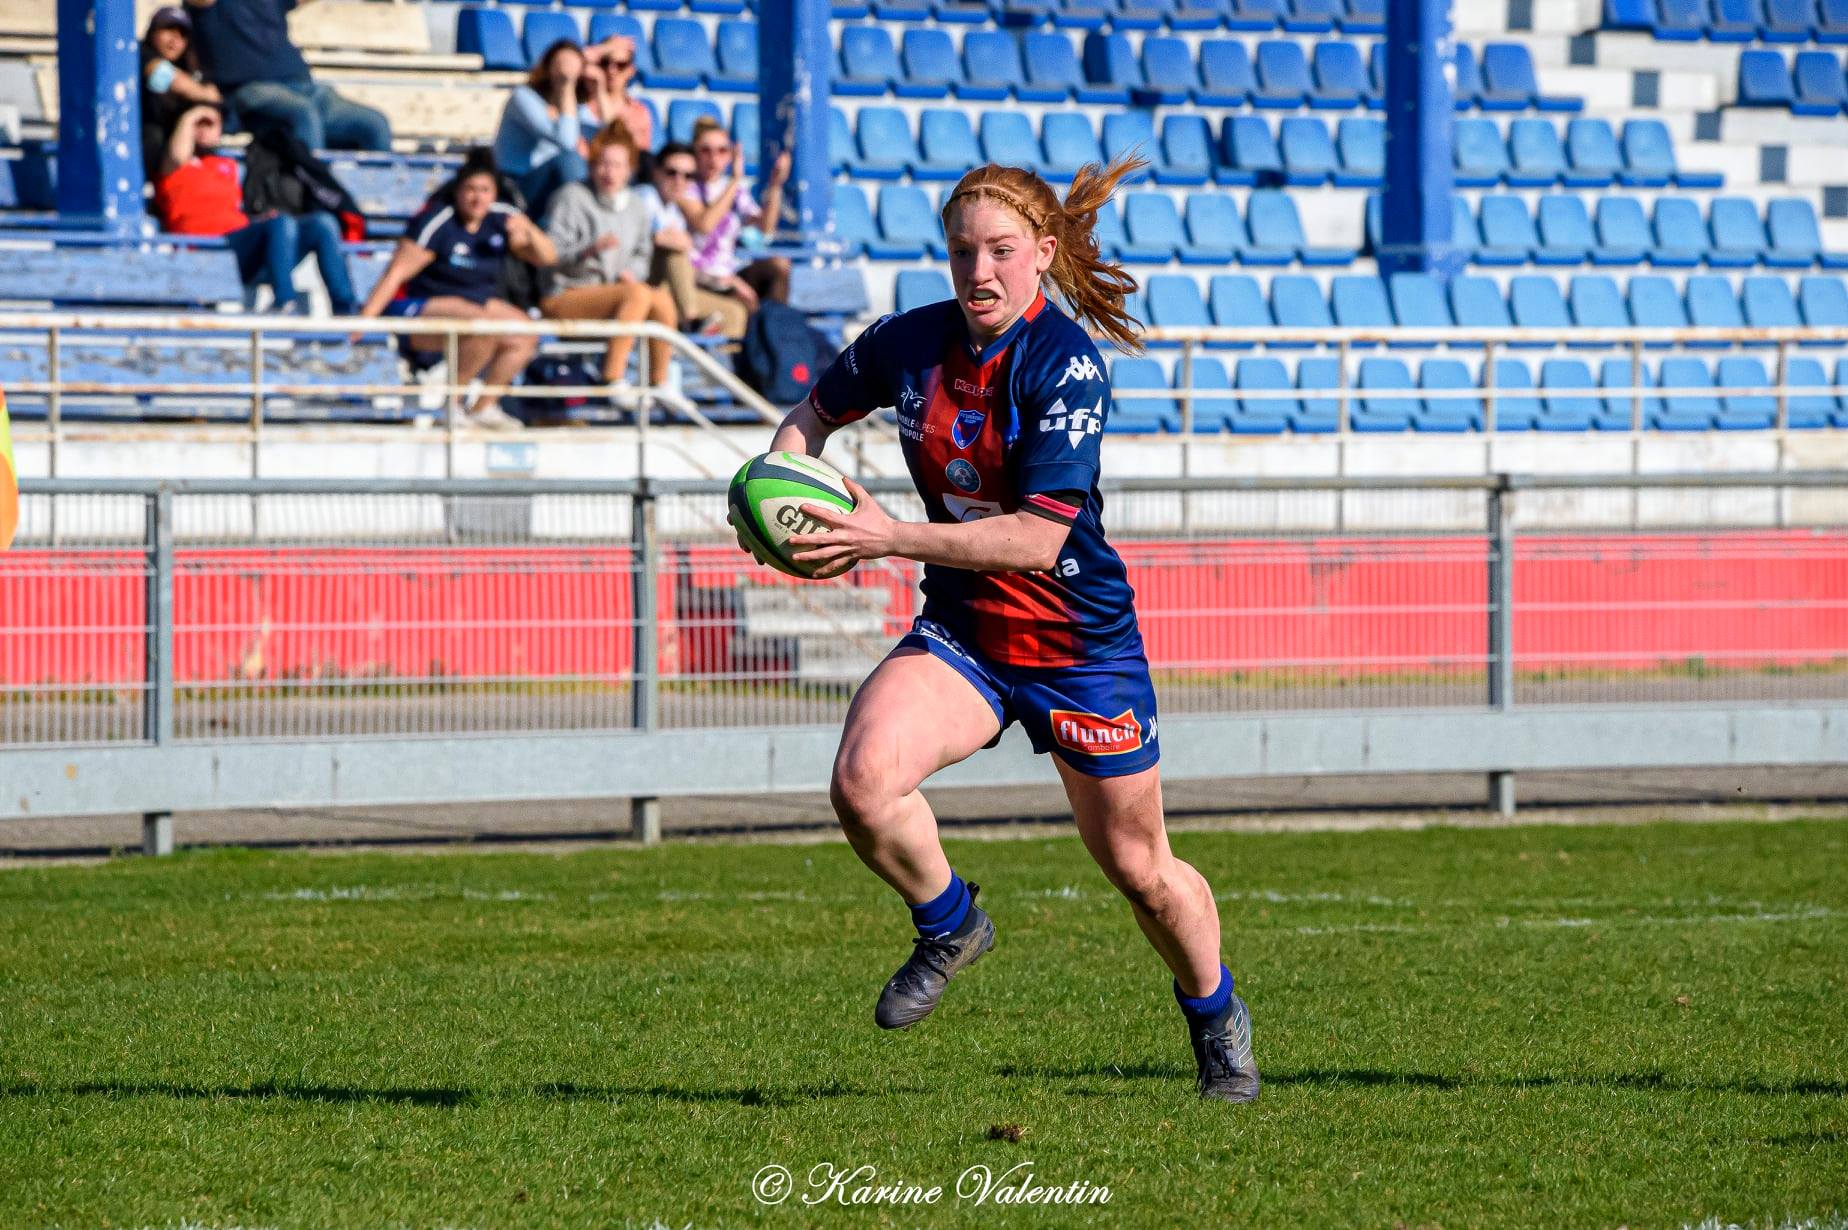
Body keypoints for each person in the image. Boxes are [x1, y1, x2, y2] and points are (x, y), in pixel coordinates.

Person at [752, 155, 1260, 1104]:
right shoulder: (906, 343)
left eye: (999, 250)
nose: (977, 271)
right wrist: (781, 494)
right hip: (968, 633)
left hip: (1079, 648)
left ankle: (1214, 1016)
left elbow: (1035, 538)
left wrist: (887, 537)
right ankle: (949, 923)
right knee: (863, 782)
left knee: (1143, 874)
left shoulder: (1064, 361)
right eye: (960, 252)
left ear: (1044, 251)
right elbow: (808, 418)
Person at [356, 150, 557, 431]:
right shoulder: (439, 222)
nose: (478, 198)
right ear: (459, 191)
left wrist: (529, 231)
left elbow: (547, 257)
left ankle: (484, 407)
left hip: (477, 306)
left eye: (485, 190)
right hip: (420, 307)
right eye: (471, 190)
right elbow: (395, 274)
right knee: (481, 324)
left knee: (525, 333)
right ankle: (451, 404)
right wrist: (361, 324)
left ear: (495, 193)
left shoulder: (500, 219)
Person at [156, 104, 359, 316]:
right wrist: (192, 114)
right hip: (212, 249)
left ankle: (346, 309)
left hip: (244, 244)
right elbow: (178, 155)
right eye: (199, 124)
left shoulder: (228, 166)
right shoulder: (174, 168)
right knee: (280, 222)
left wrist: (258, 221)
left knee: (322, 223)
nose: (204, 130)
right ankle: (284, 301)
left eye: (211, 124)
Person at [540, 124, 676, 402]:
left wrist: (632, 272)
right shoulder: (571, 197)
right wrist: (587, 251)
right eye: (602, 164)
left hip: (614, 292)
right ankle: (612, 377)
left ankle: (659, 381)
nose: (609, 172)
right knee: (637, 294)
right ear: (591, 166)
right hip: (566, 293)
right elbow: (551, 255)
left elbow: (642, 254)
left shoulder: (636, 205)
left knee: (660, 298)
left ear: (630, 169)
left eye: (616, 165)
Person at [182, 0, 392, 153]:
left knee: (374, 124)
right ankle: (315, 202)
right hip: (249, 91)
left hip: (303, 86)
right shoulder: (208, 5)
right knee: (302, 114)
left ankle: (379, 201)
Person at [683, 117, 791, 318]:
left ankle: (779, 330)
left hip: (728, 273)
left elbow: (764, 228)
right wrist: (734, 180)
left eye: (721, 151)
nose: (713, 158)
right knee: (746, 305)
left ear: (729, 155)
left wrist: (775, 185)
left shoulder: (735, 191)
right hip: (698, 275)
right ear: (694, 153)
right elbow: (704, 225)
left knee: (778, 267)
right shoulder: (684, 186)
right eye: (706, 150)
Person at [638, 142, 743, 338]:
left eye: (688, 176)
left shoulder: (674, 210)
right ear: (656, 173)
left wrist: (719, 280)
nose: (679, 181)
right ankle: (690, 320)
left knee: (735, 313)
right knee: (675, 251)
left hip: (668, 289)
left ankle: (713, 364)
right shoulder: (645, 196)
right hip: (639, 286)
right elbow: (661, 240)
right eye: (671, 172)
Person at [493, 39, 595, 223]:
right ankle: (587, 221)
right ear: (548, 66)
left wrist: (600, 88)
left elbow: (602, 134)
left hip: (553, 185)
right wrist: (567, 87)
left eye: (573, 65)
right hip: (518, 184)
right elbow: (566, 141)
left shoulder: (577, 106)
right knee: (569, 159)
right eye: (562, 64)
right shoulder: (524, 97)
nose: (567, 70)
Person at [140, 7, 221, 178]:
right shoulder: (140, 53)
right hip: (150, 147)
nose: (175, 39)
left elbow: (215, 100)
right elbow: (162, 75)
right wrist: (203, 93)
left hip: (177, 153)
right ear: (153, 32)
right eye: (168, 29)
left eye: (182, 34)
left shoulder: (191, 67)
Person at [583, 34, 652, 153]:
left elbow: (638, 156)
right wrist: (603, 49)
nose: (612, 70)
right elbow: (565, 62)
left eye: (621, 65)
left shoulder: (639, 112)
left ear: (631, 70)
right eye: (605, 62)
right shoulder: (580, 102)